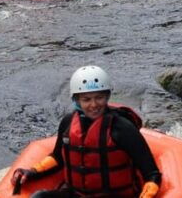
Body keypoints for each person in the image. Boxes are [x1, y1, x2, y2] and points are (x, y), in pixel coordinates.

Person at [10, 66, 162, 198]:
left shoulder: (122, 128)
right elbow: (58, 158)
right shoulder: (68, 122)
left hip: (113, 196)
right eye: (86, 99)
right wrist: (31, 172)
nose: (94, 105)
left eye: (99, 98)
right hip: (75, 194)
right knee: (39, 196)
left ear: (107, 96)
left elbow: (152, 174)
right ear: (77, 100)